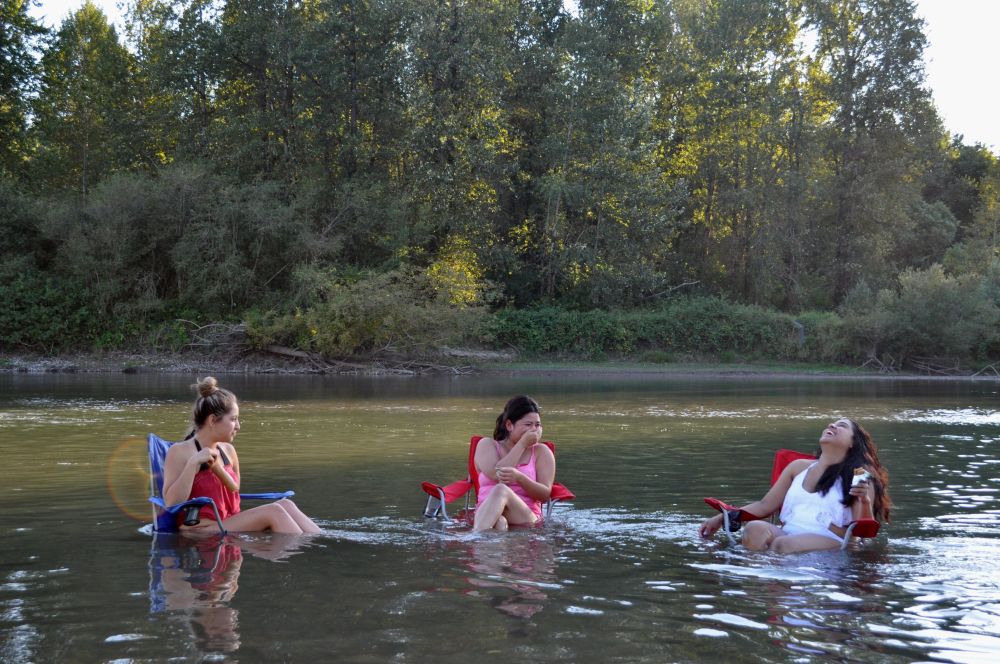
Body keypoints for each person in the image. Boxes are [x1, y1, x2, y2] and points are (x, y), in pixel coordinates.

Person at [698, 418, 891, 553]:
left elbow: (860, 530)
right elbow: (765, 506)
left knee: (783, 544)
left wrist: (865, 501)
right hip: (789, 533)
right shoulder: (798, 468)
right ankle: (758, 583)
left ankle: (771, 578)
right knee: (754, 529)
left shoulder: (859, 474)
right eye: (831, 423)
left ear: (853, 442)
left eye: (841, 426)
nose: (832, 425)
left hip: (833, 540)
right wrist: (722, 517)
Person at [162, 377, 321, 534]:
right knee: (274, 512)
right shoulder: (180, 451)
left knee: (286, 504)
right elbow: (171, 503)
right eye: (233, 419)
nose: (238, 426)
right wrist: (192, 465)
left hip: (229, 522)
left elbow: (234, 489)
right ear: (212, 420)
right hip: (200, 530)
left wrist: (217, 467)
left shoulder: (228, 451)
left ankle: (320, 542)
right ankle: (304, 551)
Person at [472, 396, 555, 532]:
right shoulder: (486, 445)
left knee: (501, 490)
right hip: (487, 512)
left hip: (525, 515)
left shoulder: (541, 452)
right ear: (509, 425)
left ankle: (474, 538)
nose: (533, 430)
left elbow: (544, 495)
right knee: (499, 523)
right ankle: (489, 547)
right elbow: (496, 474)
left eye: (537, 425)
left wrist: (520, 478)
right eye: (528, 425)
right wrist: (522, 444)